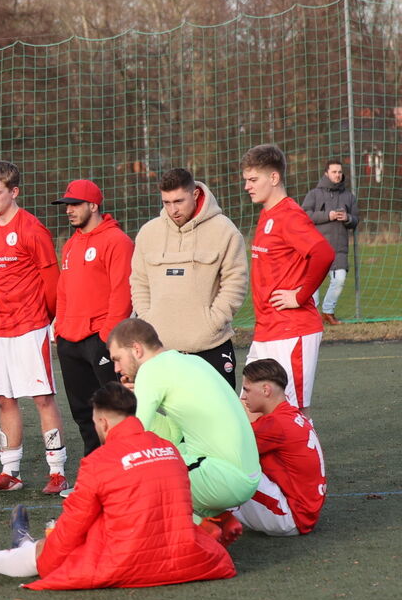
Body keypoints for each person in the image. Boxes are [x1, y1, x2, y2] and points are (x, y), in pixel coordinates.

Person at [0, 382, 235, 589]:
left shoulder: (100, 461)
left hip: (128, 561)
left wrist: (44, 557)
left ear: (103, 422)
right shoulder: (168, 449)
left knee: (59, 544)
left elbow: (73, 526)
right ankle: (24, 544)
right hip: (185, 557)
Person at [107, 318, 260, 542]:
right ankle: (218, 520)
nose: (116, 368)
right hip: (244, 476)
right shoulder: (191, 361)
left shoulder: (152, 370)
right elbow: (172, 434)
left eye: (117, 359)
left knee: (140, 465)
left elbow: (132, 436)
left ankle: (201, 529)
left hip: (224, 478)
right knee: (170, 450)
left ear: (136, 349)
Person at [0, 161, 68, 494]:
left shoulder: (32, 228)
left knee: (42, 397)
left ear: (14, 192)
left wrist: (49, 319)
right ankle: (10, 472)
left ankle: (57, 471)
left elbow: (51, 281)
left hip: (30, 327)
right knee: (4, 399)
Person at [131, 168, 247, 388]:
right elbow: (139, 282)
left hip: (210, 347)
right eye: (166, 202)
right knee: (166, 420)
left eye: (178, 201)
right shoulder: (148, 233)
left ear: (195, 194)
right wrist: (148, 319)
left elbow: (235, 281)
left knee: (216, 418)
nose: (173, 210)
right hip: (160, 351)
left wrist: (212, 322)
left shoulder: (225, 231)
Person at [241, 144, 334, 415]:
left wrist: (299, 295)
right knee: (250, 409)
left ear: (274, 178)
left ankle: (310, 459)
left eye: (253, 179)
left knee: (291, 415)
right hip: (267, 330)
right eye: (246, 180)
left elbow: (323, 253)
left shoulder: (289, 215)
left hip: (292, 331)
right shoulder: (267, 213)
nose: (247, 186)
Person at [53, 179, 134, 457]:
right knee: (82, 412)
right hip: (70, 341)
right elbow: (62, 291)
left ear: (93, 205)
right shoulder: (71, 244)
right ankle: (94, 469)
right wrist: (60, 329)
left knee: (113, 408)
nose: (68, 210)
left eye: (74, 205)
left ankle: (123, 466)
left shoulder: (118, 241)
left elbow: (122, 294)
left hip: (100, 340)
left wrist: (106, 337)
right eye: (67, 205)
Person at [234, 359, 327, 536]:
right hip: (301, 511)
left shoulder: (276, 424)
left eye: (247, 389)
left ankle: (210, 521)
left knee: (212, 467)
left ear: (266, 390)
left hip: (291, 516)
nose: (244, 396)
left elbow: (228, 449)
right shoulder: (289, 413)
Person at [302, 159, 360, 325]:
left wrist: (347, 218)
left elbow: (356, 219)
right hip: (317, 248)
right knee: (314, 283)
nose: (337, 175)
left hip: (340, 247)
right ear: (326, 173)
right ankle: (312, 316)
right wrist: (328, 215)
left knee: (339, 279)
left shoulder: (349, 196)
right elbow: (305, 215)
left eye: (339, 172)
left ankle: (328, 312)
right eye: (334, 172)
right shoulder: (314, 194)